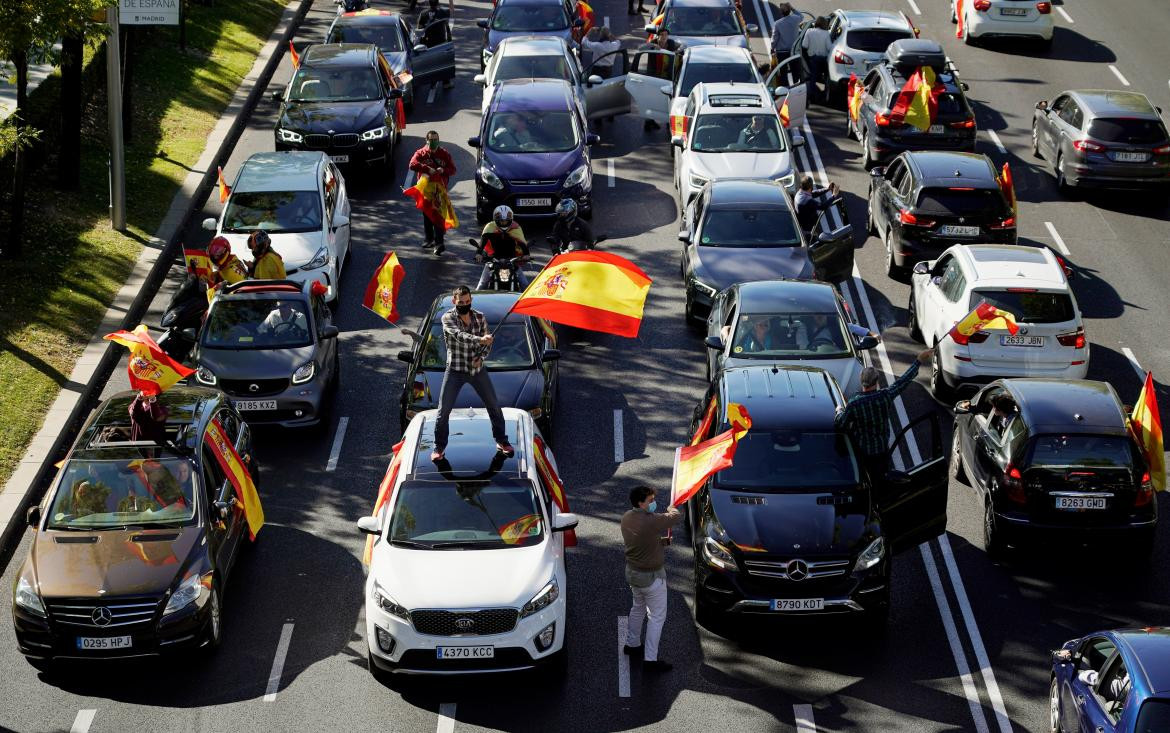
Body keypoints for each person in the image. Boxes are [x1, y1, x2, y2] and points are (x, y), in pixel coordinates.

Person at [431, 286, 513, 461]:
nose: (464, 305)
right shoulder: (447, 318)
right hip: (455, 370)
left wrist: (481, 357)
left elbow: (487, 343)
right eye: (461, 302)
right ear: (454, 302)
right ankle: (439, 447)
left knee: (494, 405)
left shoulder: (480, 317)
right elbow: (459, 335)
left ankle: (502, 441)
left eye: (468, 302)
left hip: (476, 370)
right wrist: (480, 339)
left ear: (471, 300)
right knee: (443, 410)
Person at [835, 348, 934, 480]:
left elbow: (841, 423)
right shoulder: (884, 396)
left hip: (862, 452)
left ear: (861, 381)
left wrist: (839, 410)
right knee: (882, 478)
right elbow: (903, 381)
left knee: (864, 478)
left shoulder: (854, 403)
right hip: (881, 450)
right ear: (876, 382)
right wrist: (919, 360)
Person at [621, 485, 681, 673]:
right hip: (652, 577)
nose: (654, 503)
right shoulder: (651, 521)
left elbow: (642, 542)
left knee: (637, 608)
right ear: (640, 503)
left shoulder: (627, 518)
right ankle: (650, 660)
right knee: (656, 617)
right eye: (651, 500)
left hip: (633, 573)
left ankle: (632, 644)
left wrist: (661, 542)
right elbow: (675, 517)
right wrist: (673, 506)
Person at [408, 130, 457, 254]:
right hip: (425, 190)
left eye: (436, 139)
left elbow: (453, 170)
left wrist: (443, 170)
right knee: (428, 215)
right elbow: (412, 165)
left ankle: (439, 243)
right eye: (431, 139)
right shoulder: (421, 153)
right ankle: (429, 239)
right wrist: (426, 168)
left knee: (438, 215)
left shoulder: (444, 154)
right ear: (427, 140)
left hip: (440, 190)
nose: (434, 142)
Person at [477, 206, 531, 290]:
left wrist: (526, 254)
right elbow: (483, 242)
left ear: (510, 220)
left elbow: (521, 242)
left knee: (525, 285)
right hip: (494, 260)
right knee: (481, 284)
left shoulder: (515, 227)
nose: (503, 223)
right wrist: (478, 253)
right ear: (496, 220)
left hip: (512, 261)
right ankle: (476, 302)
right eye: (501, 221)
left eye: (506, 221)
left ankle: (529, 303)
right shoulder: (490, 227)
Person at [802, 16, 832, 104]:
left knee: (813, 78)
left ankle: (811, 96)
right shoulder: (826, 33)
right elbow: (829, 47)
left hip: (813, 59)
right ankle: (825, 94)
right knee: (827, 76)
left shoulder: (809, 31)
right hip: (823, 59)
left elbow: (804, 46)